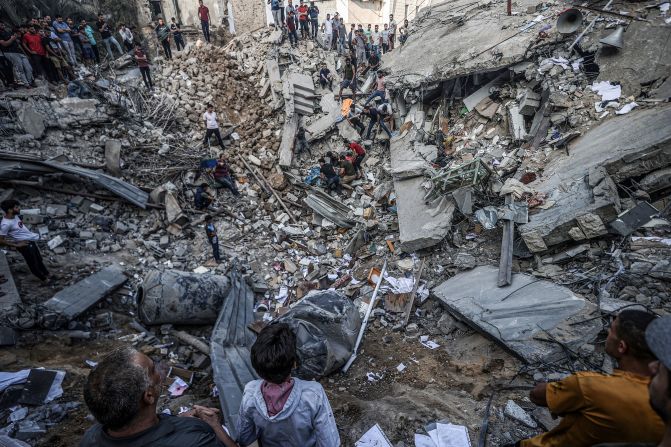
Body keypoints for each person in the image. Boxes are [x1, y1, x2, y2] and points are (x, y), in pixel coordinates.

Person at [517, 310, 664, 447]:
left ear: (621, 347)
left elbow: (537, 396)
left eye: (612, 330)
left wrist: (558, 387)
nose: (607, 332)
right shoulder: (664, 399)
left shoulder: (590, 387)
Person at [81, 347, 237, 447]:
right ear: (148, 396)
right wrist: (216, 426)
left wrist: (178, 420)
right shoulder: (196, 443)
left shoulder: (90, 438)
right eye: (153, 369)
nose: (161, 374)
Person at [236, 323, 340, 447]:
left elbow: (244, 438)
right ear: (294, 364)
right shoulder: (313, 394)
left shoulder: (250, 393)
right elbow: (330, 443)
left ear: (256, 367)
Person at [0, 200, 49, 282]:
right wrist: (17, 245)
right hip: (24, 245)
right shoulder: (5, 224)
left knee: (39, 259)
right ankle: (45, 280)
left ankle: (47, 274)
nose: (19, 208)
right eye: (16, 207)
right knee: (33, 264)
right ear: (9, 210)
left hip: (30, 241)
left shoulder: (14, 216)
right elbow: (0, 240)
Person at [0, 23, 34, 87]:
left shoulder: (8, 32)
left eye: (3, 25)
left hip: (19, 52)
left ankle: (29, 82)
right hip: (10, 52)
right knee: (20, 68)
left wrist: (25, 53)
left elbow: (18, 44)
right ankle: (26, 84)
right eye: (1, 25)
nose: (3, 26)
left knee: (28, 68)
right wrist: (12, 39)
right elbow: (4, 44)